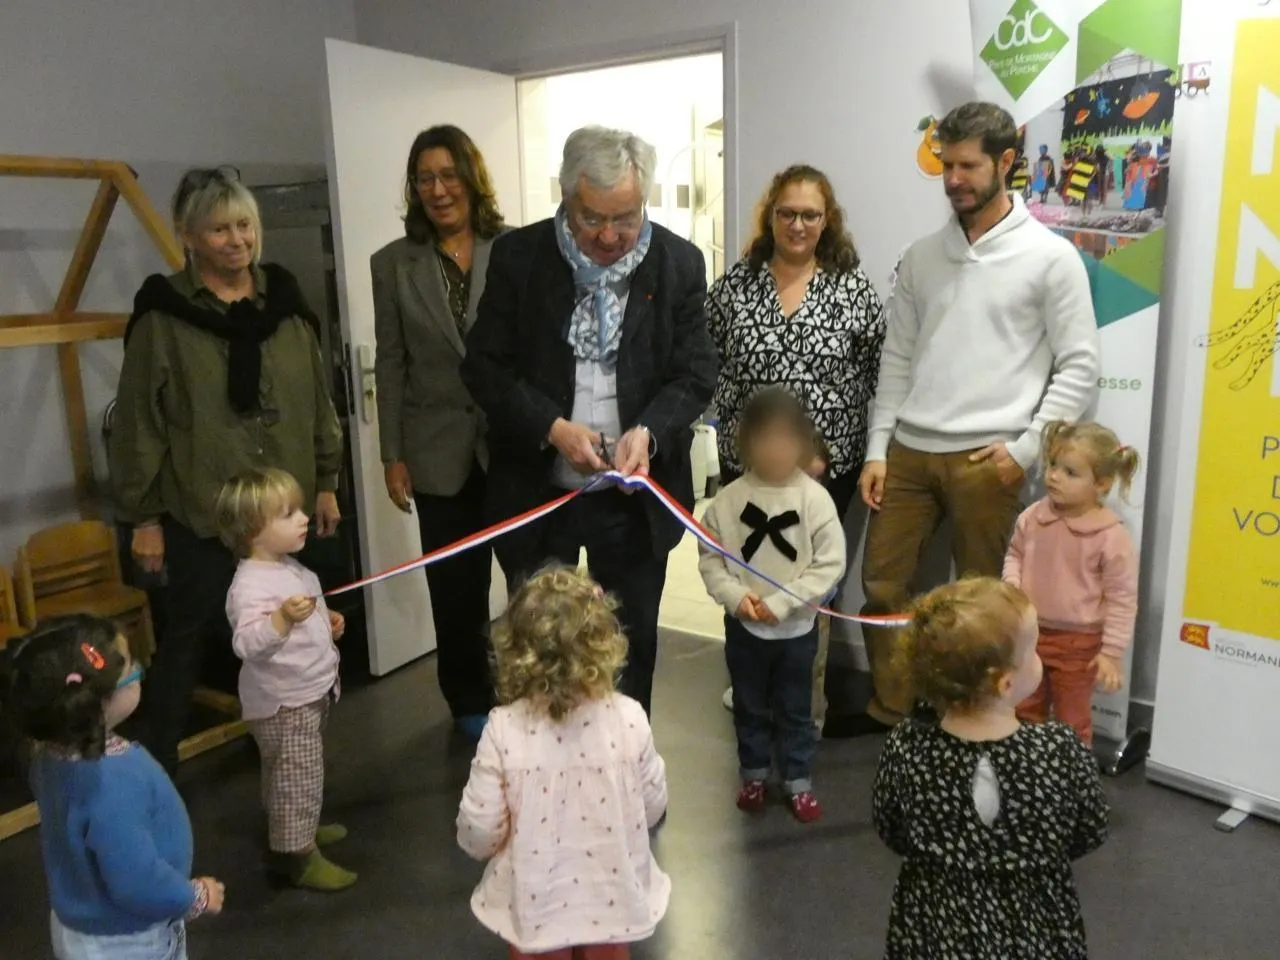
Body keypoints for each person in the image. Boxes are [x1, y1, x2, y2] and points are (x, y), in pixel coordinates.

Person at [857, 102, 1100, 731]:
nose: (954, 178)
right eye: (947, 165)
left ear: (1006, 162)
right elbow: (898, 357)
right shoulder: (922, 256)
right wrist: (878, 449)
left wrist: (1024, 451)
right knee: (882, 589)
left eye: (968, 165)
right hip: (910, 451)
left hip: (987, 459)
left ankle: (973, 722)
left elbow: (1080, 365)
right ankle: (894, 711)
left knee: (983, 606)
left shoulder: (1051, 257)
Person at [462, 126, 718, 716]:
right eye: (591, 219)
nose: (608, 236)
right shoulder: (520, 257)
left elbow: (695, 372)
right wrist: (553, 428)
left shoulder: (677, 262)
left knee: (629, 647)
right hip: (536, 490)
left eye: (625, 218)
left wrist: (647, 432)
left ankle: (624, 758)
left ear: (644, 200)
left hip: (632, 499)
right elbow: (483, 367)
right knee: (537, 650)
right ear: (566, 199)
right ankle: (535, 759)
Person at [109, 167, 344, 777]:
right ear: (188, 236)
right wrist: (144, 518)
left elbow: (317, 399)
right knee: (187, 642)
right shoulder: (163, 317)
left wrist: (326, 481)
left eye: (245, 225)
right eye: (219, 229)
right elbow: (139, 423)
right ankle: (153, 776)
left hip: (282, 510)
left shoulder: (286, 306)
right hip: (203, 512)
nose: (237, 240)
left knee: (287, 634)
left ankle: (283, 751)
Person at [705, 165, 885, 734]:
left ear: (826, 220)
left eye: (810, 214)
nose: (798, 224)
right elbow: (707, 366)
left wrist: (823, 453)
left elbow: (876, 376)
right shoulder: (734, 287)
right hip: (746, 470)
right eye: (787, 213)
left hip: (825, 469)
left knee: (811, 581)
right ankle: (752, 690)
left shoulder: (853, 290)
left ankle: (806, 704)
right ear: (771, 216)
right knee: (748, 573)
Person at [872, 578, 1109, 959]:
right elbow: (1090, 828)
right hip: (1034, 926)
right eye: (1033, 649)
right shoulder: (1059, 750)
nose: (1039, 657)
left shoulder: (907, 747)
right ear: (1006, 683)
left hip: (935, 925)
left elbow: (892, 827)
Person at [372, 125, 510, 741]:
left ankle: (531, 689)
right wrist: (392, 454)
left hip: (510, 447)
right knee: (455, 591)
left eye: (449, 175)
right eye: (424, 178)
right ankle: (469, 702)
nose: (438, 189)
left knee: (530, 578)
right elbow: (391, 361)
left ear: (471, 178)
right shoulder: (392, 264)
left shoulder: (514, 249)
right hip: (434, 452)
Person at [456, 567, 669, 960]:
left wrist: (489, 847)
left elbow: (480, 827)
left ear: (515, 652)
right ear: (604, 643)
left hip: (538, 903)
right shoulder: (630, 717)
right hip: (612, 898)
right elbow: (653, 804)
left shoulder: (504, 729)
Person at [2, 615, 225, 959]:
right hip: (128, 938)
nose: (137, 668)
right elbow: (136, 880)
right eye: (129, 664)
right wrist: (195, 896)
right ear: (97, 701)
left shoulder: (46, 755)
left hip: (81, 927)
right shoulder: (111, 782)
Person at [698, 389, 846, 823]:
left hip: (797, 631)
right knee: (749, 704)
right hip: (744, 630)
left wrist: (782, 603)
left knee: (796, 708)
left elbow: (829, 563)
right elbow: (710, 559)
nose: (775, 449)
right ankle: (754, 774)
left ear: (803, 442)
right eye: (765, 438)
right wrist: (735, 597)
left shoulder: (814, 499)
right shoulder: (727, 501)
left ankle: (798, 778)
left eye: (786, 438)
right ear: (746, 442)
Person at [215, 468, 355, 891]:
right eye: (288, 514)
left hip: (305, 694)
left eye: (299, 510)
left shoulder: (288, 567)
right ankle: (298, 856)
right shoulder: (249, 585)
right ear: (252, 530)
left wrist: (325, 620)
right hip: (285, 703)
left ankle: (296, 827)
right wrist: (281, 619)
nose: (303, 519)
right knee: (298, 776)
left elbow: (304, 614)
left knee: (291, 773)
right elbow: (248, 643)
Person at [1003, 421, 1140, 746]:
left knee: (1072, 720)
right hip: (1029, 632)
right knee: (1023, 710)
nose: (1054, 476)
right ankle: (1024, 767)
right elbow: (1015, 555)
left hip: (1078, 644)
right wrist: (1012, 587)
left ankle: (1074, 773)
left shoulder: (1111, 536)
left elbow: (1122, 599)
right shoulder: (1032, 516)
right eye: (1053, 465)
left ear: (1101, 483)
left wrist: (1111, 653)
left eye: (1070, 472)